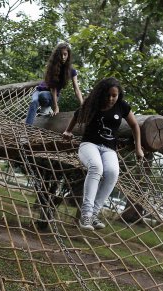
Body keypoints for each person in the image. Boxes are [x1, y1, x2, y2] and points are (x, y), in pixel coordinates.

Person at [62, 77, 144, 231]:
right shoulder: (92, 103)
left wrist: (138, 148)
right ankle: (85, 215)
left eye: (115, 95)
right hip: (89, 144)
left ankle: (93, 214)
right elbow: (76, 115)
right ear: (102, 94)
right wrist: (68, 131)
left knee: (113, 173)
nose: (112, 99)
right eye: (109, 95)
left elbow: (134, 125)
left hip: (109, 148)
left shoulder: (122, 105)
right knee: (96, 167)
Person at [25, 43, 83, 125]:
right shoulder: (52, 68)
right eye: (61, 54)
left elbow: (77, 89)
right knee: (34, 101)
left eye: (65, 54)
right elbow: (53, 88)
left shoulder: (72, 71)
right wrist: (56, 107)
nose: (63, 57)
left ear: (68, 55)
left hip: (51, 96)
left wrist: (83, 105)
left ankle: (46, 108)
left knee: (43, 96)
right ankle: (27, 128)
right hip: (39, 91)